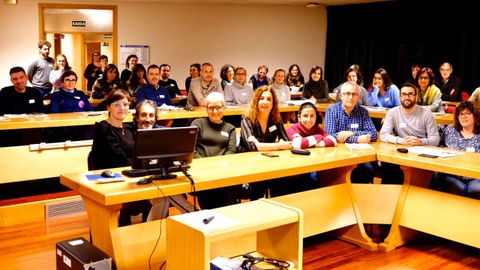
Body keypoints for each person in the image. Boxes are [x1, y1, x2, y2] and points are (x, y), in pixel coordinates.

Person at [88, 89, 151, 226]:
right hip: (112, 179)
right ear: (108, 107)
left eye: (125, 104)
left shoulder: (130, 129)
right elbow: (118, 156)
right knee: (151, 198)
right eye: (117, 104)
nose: (122, 108)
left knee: (158, 195)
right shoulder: (102, 128)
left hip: (130, 175)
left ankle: (149, 233)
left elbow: (139, 154)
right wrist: (139, 169)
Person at [133, 100, 195, 220]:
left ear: (155, 118)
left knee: (163, 196)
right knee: (163, 196)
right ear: (136, 117)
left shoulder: (164, 133)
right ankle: (198, 216)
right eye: (144, 115)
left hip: (162, 178)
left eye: (151, 115)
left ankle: (153, 233)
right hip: (139, 181)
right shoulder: (130, 135)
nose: (148, 119)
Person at [380, 83, 440, 184]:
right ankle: (390, 196)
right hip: (401, 150)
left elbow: (435, 139)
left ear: (416, 96)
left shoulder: (426, 113)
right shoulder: (392, 112)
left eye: (411, 94)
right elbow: (383, 135)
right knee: (388, 164)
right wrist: (401, 140)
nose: (407, 97)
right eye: (404, 94)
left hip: (421, 153)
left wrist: (420, 141)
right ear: (400, 97)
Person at [240, 85, 291, 199]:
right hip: (250, 163)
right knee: (259, 184)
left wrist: (261, 145)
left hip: (268, 161)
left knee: (283, 180)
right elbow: (252, 146)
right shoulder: (247, 118)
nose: (265, 102)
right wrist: (278, 145)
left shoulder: (276, 118)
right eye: (262, 98)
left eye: (269, 99)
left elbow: (286, 142)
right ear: (256, 101)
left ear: (273, 103)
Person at [191, 92, 239, 209]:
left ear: (224, 108)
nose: (215, 111)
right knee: (208, 208)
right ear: (206, 109)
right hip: (203, 173)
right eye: (211, 108)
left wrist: (219, 167)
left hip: (223, 172)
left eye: (218, 107)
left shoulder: (230, 128)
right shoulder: (198, 123)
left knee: (226, 206)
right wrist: (206, 166)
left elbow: (232, 150)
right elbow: (192, 149)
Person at [324, 81, 378, 183]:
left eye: (354, 94)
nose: (350, 97)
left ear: (359, 97)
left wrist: (351, 133)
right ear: (341, 96)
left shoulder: (363, 112)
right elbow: (330, 135)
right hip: (337, 155)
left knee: (368, 170)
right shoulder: (332, 110)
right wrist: (357, 138)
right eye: (347, 93)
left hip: (359, 155)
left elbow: (373, 134)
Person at [436, 101, 480, 199]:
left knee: (475, 191)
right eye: (461, 114)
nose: (464, 117)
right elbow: (440, 147)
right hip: (453, 174)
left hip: (476, 177)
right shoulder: (450, 130)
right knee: (458, 189)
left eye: (468, 113)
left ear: (475, 115)